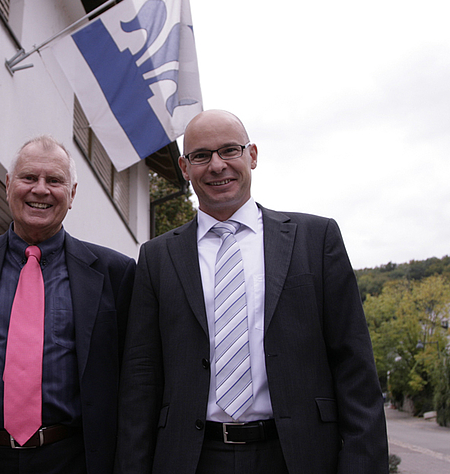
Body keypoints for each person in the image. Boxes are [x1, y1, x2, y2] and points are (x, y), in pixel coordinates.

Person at [115, 110, 388, 474]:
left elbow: (354, 368)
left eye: (229, 150)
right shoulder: (156, 257)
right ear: (184, 167)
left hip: (297, 456)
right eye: (201, 155)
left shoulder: (316, 240)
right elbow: (141, 379)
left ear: (252, 155)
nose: (216, 165)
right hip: (190, 459)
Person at [0, 135, 136, 474]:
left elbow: (127, 375)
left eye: (54, 180)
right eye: (29, 178)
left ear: (72, 194)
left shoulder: (115, 273)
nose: (40, 189)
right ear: (9, 185)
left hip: (73, 458)